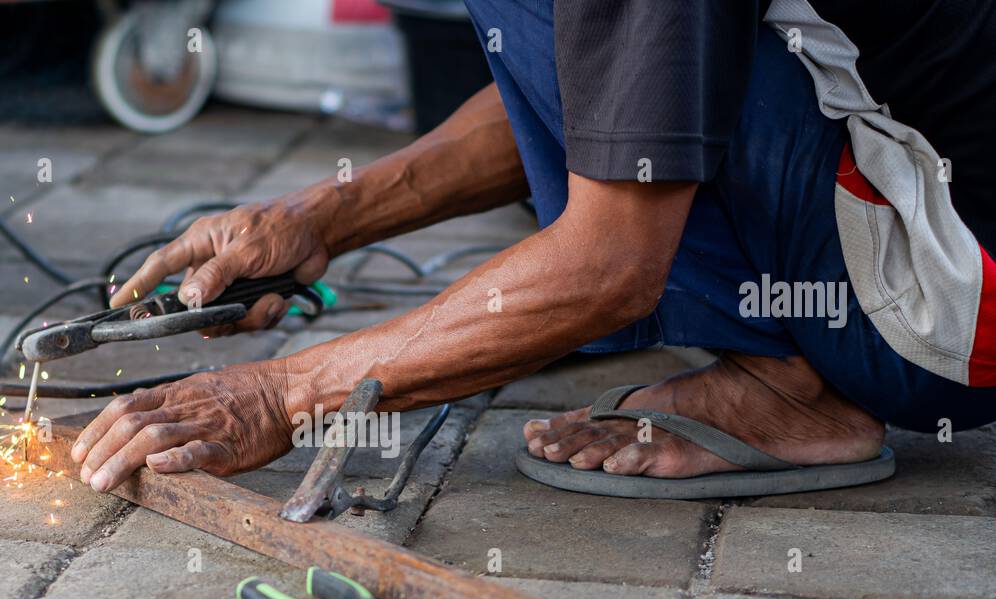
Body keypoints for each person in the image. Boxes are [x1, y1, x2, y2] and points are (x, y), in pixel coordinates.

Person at [71, 0, 996, 500]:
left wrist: (283, 391)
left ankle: (790, 382)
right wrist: (318, 218)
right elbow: (624, 97)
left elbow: (611, 262)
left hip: (946, 307)